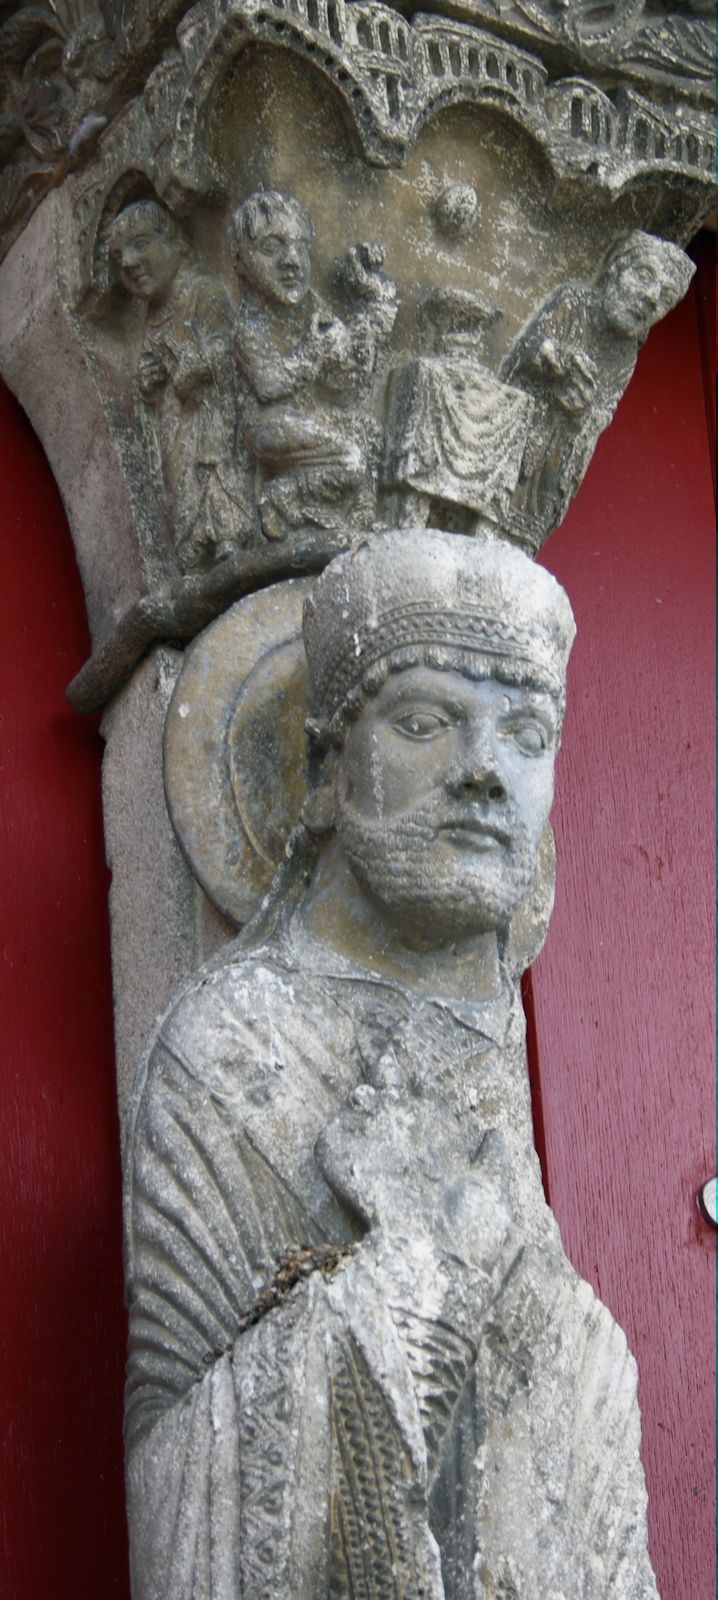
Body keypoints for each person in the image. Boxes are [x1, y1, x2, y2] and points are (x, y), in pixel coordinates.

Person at [124, 530, 659, 1599]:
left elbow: (547, 1366)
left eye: (526, 731)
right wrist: (400, 1277)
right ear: (326, 768)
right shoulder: (231, 1045)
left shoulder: (492, 1038)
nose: (483, 772)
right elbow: (176, 1462)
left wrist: (570, 1340)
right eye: (424, 722)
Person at [501, 229, 694, 548]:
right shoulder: (573, 303)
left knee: (526, 526)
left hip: (557, 450)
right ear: (616, 268)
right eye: (645, 275)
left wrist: (582, 409)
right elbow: (530, 349)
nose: (651, 297)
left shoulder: (624, 354)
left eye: (666, 298)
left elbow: (601, 414)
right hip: (524, 427)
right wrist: (558, 359)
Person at [230, 190, 397, 540]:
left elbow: (344, 379)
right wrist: (315, 353)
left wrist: (372, 316)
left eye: (300, 246)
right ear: (240, 264)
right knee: (349, 461)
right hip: (269, 424)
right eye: (271, 248)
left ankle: (362, 515)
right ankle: (282, 500)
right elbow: (268, 384)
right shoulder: (249, 328)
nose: (291, 260)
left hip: (310, 412)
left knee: (372, 434)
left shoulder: (312, 307)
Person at [110, 199, 256, 570]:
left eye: (141, 244)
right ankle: (194, 555)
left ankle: (228, 538)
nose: (128, 262)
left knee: (214, 475)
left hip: (211, 420)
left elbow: (229, 352)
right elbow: (151, 389)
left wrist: (193, 368)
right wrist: (147, 385)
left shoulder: (204, 291)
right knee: (182, 486)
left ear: (174, 241)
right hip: (175, 423)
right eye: (119, 256)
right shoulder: (150, 317)